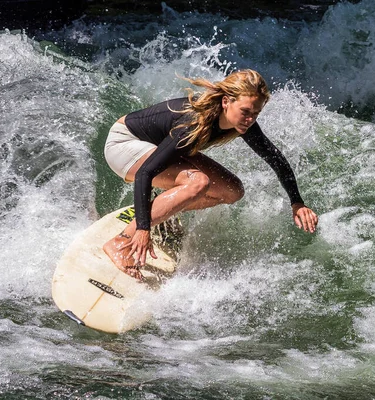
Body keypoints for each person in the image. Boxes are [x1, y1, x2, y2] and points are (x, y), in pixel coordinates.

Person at [103, 69, 318, 280]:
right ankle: (121, 241)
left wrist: (296, 202)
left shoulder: (244, 123)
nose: (250, 119)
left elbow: (275, 159)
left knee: (232, 191)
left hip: (157, 149)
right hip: (124, 145)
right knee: (199, 182)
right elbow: (145, 173)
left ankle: (163, 217)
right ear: (226, 102)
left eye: (256, 113)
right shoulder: (193, 120)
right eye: (245, 112)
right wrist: (142, 228)